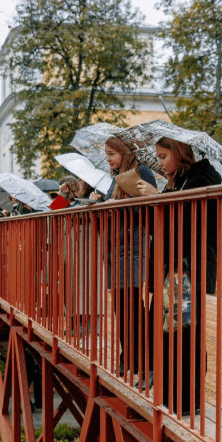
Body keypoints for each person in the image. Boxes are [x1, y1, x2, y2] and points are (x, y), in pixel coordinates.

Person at [136, 136, 221, 416]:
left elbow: (185, 220)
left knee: (183, 330)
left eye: (163, 157)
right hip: (176, 266)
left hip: (185, 267)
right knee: (175, 330)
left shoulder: (201, 178)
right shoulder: (178, 182)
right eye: (157, 158)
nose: (159, 163)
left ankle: (186, 400)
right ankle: (177, 396)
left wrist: (158, 197)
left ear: (179, 153)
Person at [102, 136, 157, 383]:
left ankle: (147, 363)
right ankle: (129, 358)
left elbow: (149, 209)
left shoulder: (141, 172)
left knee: (133, 305)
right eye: (106, 154)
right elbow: (107, 204)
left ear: (124, 153)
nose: (108, 158)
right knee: (121, 306)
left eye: (112, 153)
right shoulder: (114, 178)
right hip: (116, 248)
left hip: (134, 246)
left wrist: (120, 204)